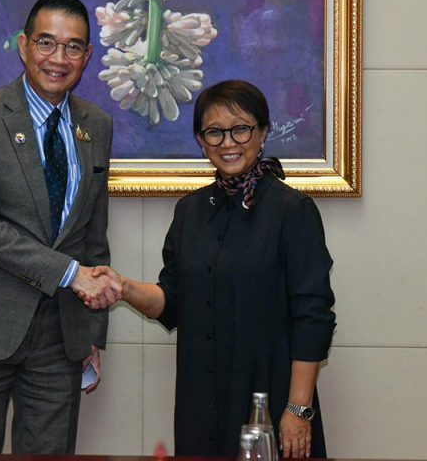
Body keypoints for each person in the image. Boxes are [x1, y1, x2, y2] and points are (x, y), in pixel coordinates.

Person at [89, 80, 336, 458]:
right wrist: (123, 287)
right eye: (214, 132)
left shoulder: (293, 211)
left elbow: (313, 317)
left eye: (241, 129)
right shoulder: (189, 211)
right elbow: (171, 301)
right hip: (199, 404)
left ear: (263, 133)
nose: (228, 142)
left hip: (270, 404)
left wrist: (298, 410)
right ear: (201, 141)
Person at [0, 0, 121, 454]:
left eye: (73, 47)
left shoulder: (96, 125)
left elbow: (93, 236)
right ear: (23, 45)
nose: (59, 58)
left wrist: (90, 332)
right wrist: (72, 275)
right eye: (46, 43)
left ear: (87, 56)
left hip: (60, 338)